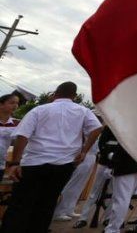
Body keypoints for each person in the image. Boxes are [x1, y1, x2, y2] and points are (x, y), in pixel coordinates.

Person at [0, 82, 102, 233]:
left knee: (20, 204)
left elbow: (22, 135)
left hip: (34, 163)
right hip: (63, 165)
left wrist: (15, 162)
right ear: (74, 96)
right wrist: (84, 151)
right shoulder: (83, 111)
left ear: (55, 93)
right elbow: (97, 128)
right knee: (47, 203)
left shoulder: (40, 110)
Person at [73, 124, 117, 228]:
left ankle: (108, 218)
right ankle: (83, 218)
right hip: (104, 162)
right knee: (94, 191)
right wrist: (109, 159)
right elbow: (102, 143)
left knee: (112, 193)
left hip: (117, 165)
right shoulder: (110, 126)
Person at [103, 127, 137, 233]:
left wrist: (111, 160)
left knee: (121, 199)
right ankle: (114, 226)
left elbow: (122, 147)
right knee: (123, 198)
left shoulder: (129, 126)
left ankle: (113, 229)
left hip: (125, 165)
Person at [52, 135, 100, 221]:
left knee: (79, 186)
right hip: (84, 156)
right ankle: (59, 211)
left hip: (92, 156)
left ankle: (70, 208)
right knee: (72, 185)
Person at [0, 93, 20, 179]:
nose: (15, 106)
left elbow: (17, 143)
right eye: (12, 103)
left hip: (1, 164)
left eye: (17, 103)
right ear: (1, 105)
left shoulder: (17, 123)